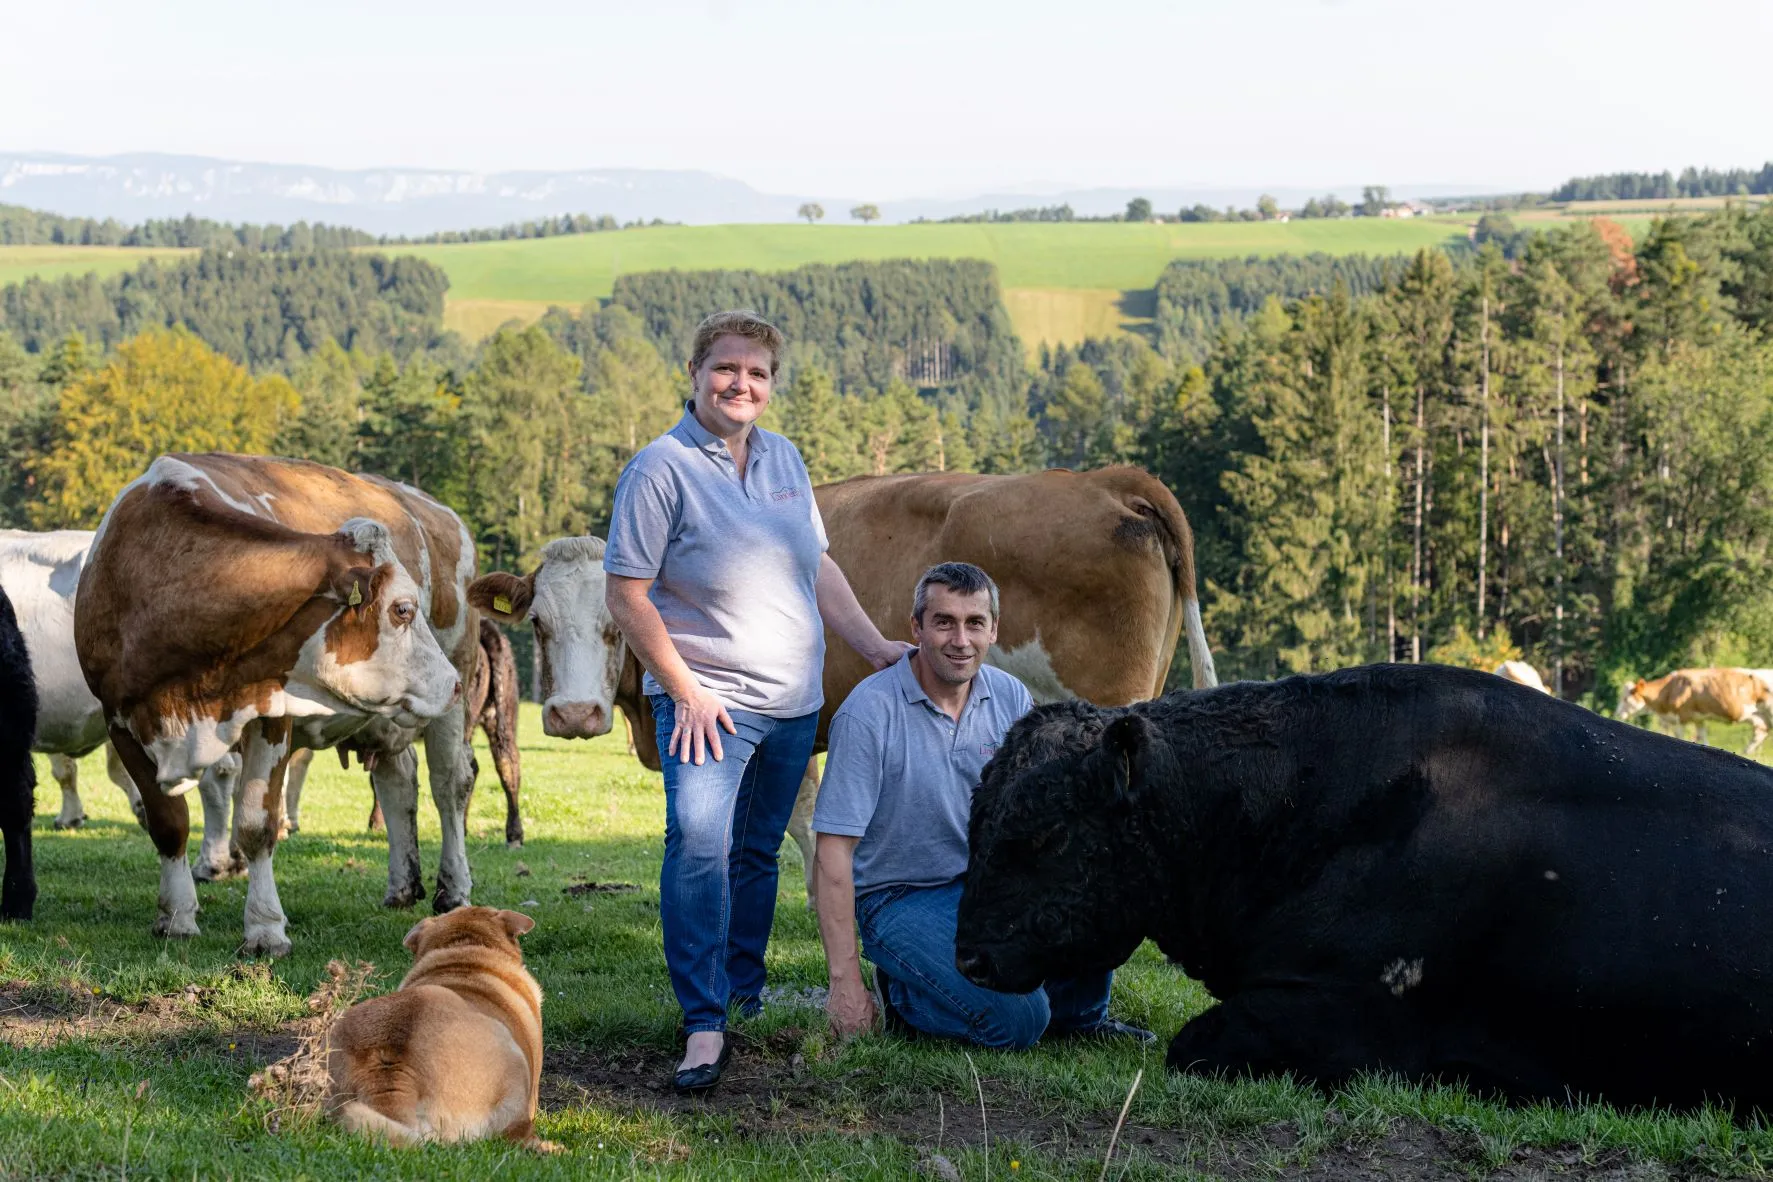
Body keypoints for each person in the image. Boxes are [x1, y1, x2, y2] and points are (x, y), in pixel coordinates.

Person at [604, 310, 907, 1093]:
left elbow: (817, 566)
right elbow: (626, 594)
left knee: (754, 854)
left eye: (757, 373)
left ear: (771, 384)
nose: (740, 384)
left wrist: (874, 646)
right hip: (709, 704)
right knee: (698, 852)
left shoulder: (782, 458)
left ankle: (742, 996)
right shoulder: (659, 469)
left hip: (792, 704)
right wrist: (685, 691)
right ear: (695, 373)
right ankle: (703, 1023)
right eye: (726, 368)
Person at [812, 562, 1155, 1048]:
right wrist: (845, 981)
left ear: (993, 629)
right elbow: (833, 851)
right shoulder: (869, 713)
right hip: (899, 895)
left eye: (975, 623)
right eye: (944, 622)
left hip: (987, 882)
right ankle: (902, 995)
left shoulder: (1009, 695)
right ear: (916, 627)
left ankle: (1080, 1018)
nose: (961, 640)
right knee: (1018, 1022)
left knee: (1099, 872)